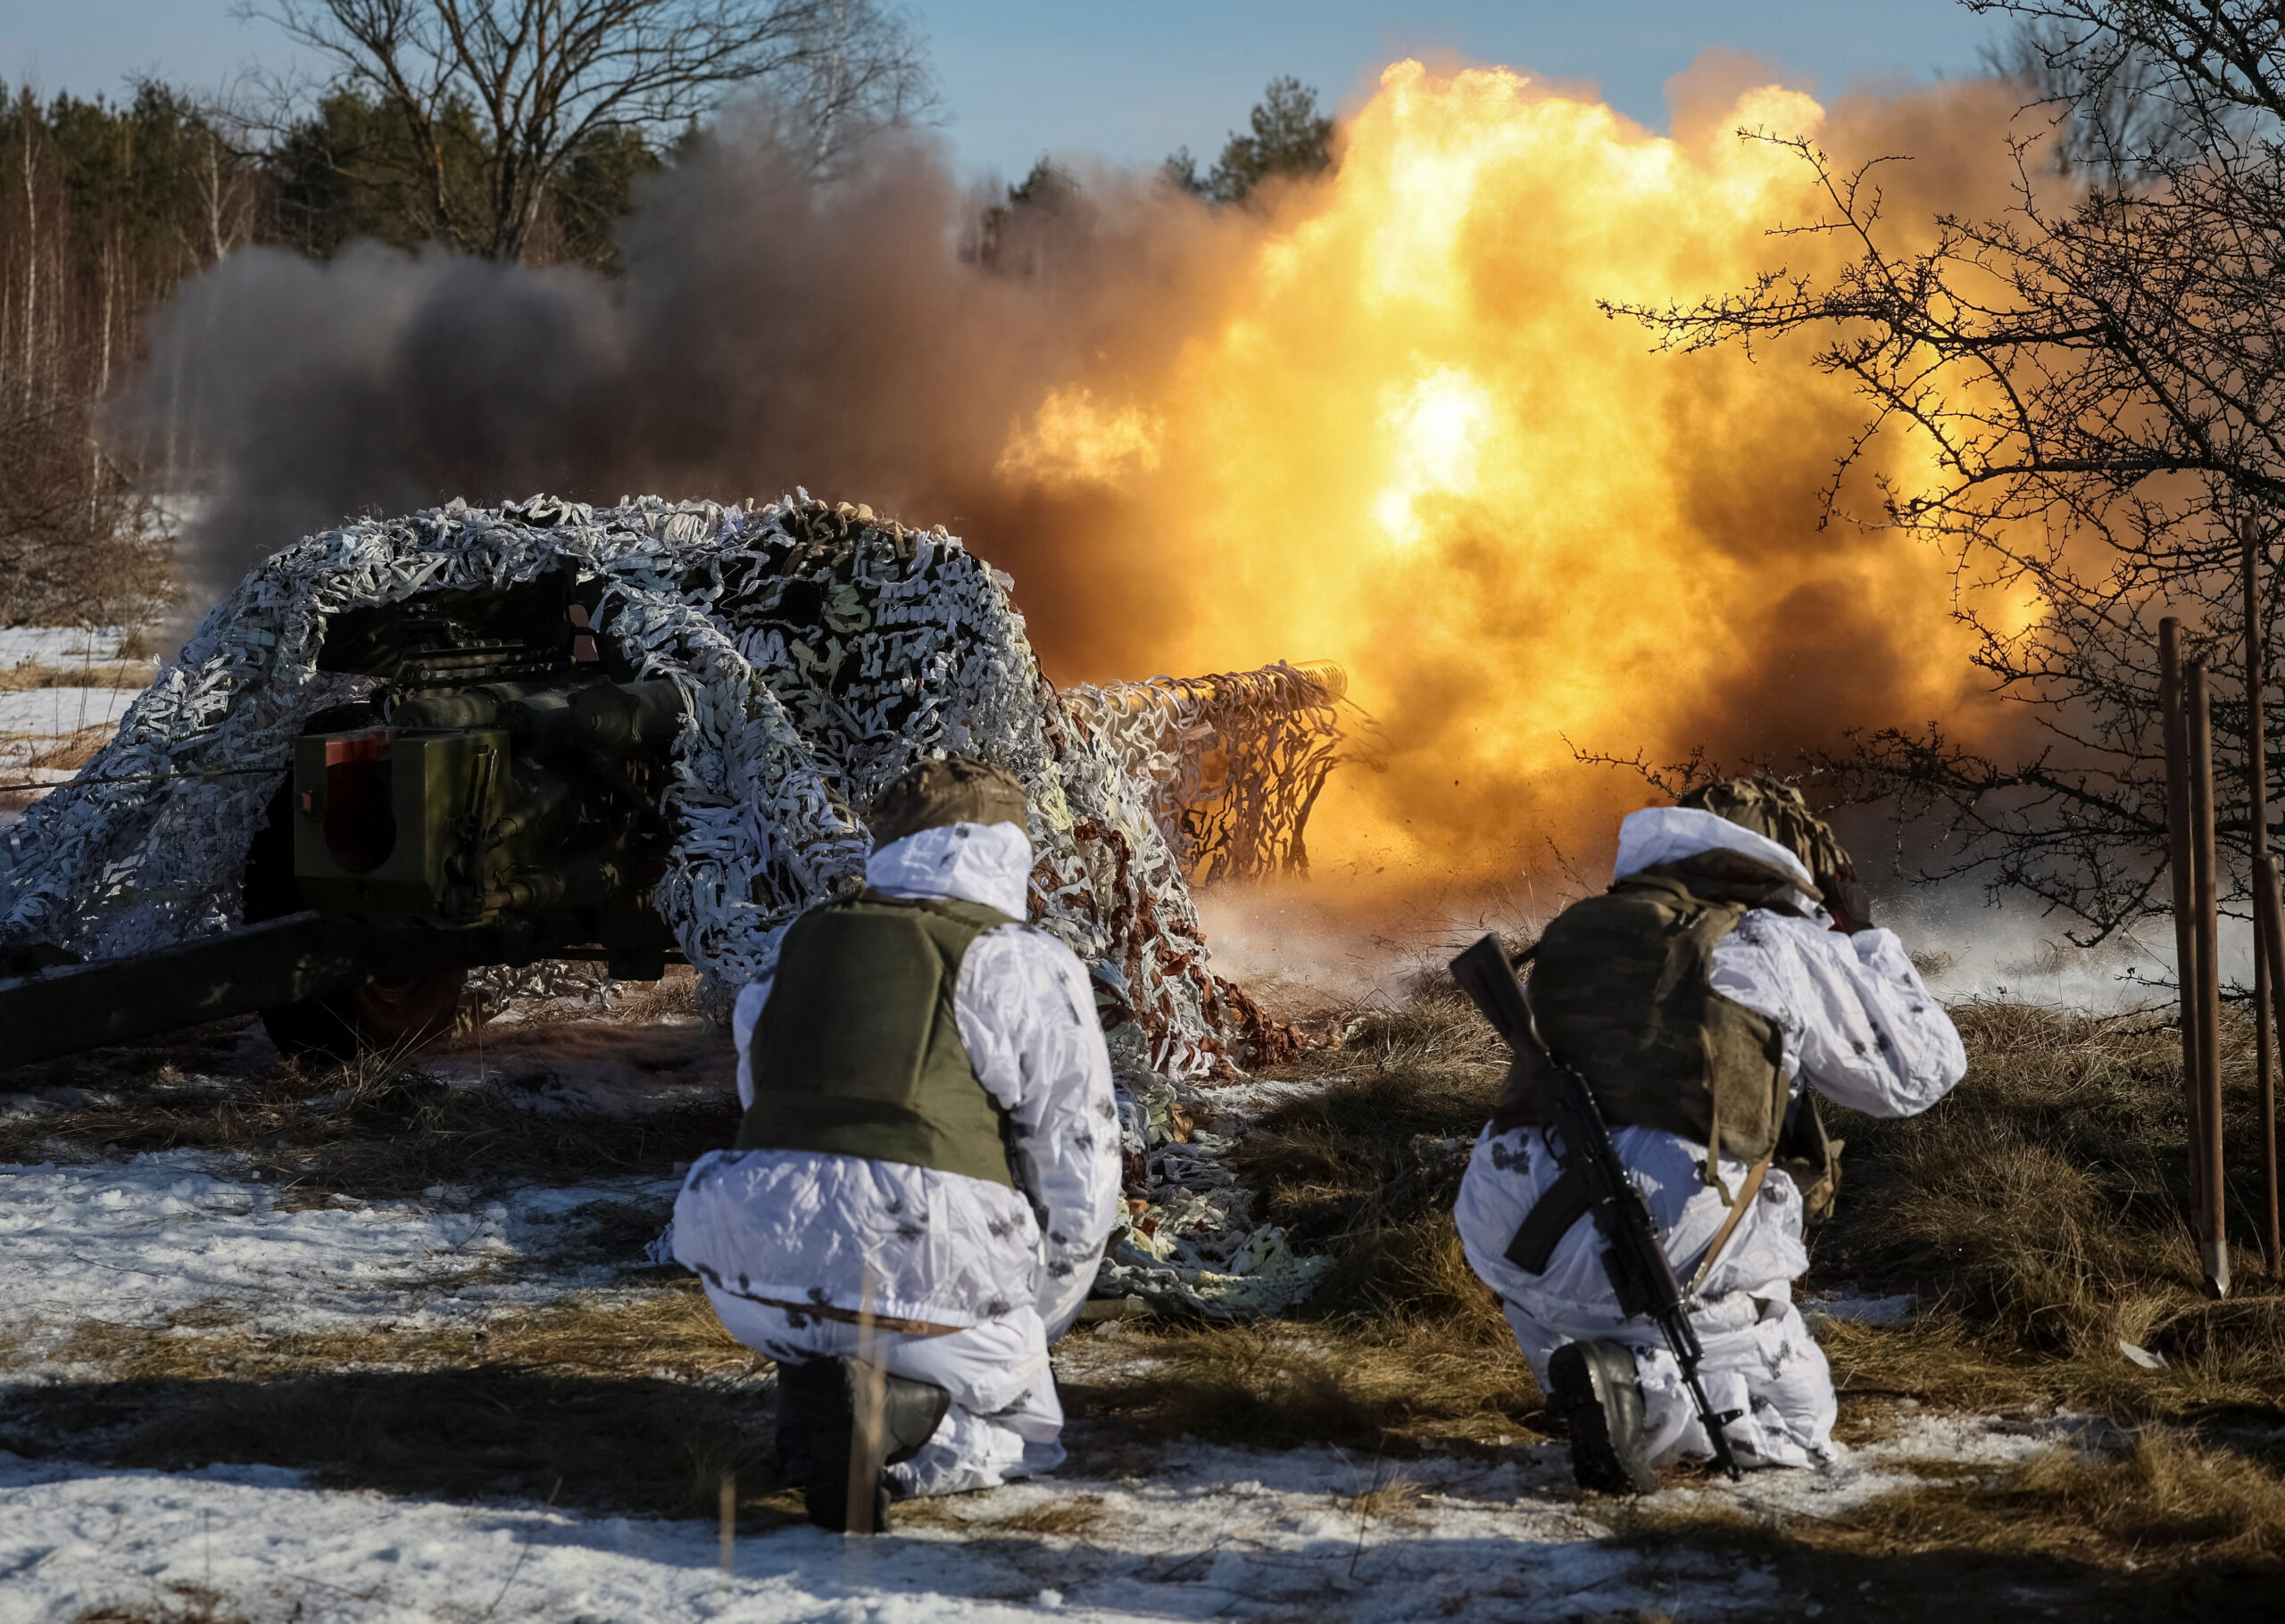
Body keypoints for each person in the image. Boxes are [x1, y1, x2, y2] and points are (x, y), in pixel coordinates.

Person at [1454, 777, 1965, 1491]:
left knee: (1596, 1322)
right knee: (1797, 1426)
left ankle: (1604, 1386)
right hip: (1662, 1231)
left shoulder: (1579, 926)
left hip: (1507, 1233)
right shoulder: (1771, 939)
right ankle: (1638, 1388)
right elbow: (1919, 1076)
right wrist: (1865, 941)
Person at [671, 755, 1122, 1532]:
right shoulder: (1026, 963)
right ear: (1008, 849)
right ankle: (888, 1425)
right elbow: (1078, 1159)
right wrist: (1031, 1321)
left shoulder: (795, 946)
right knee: (1027, 1429)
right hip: (932, 1275)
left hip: (750, 1277)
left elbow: (767, 1105)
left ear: (885, 846)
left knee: (838, 1324)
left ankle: (815, 1411)